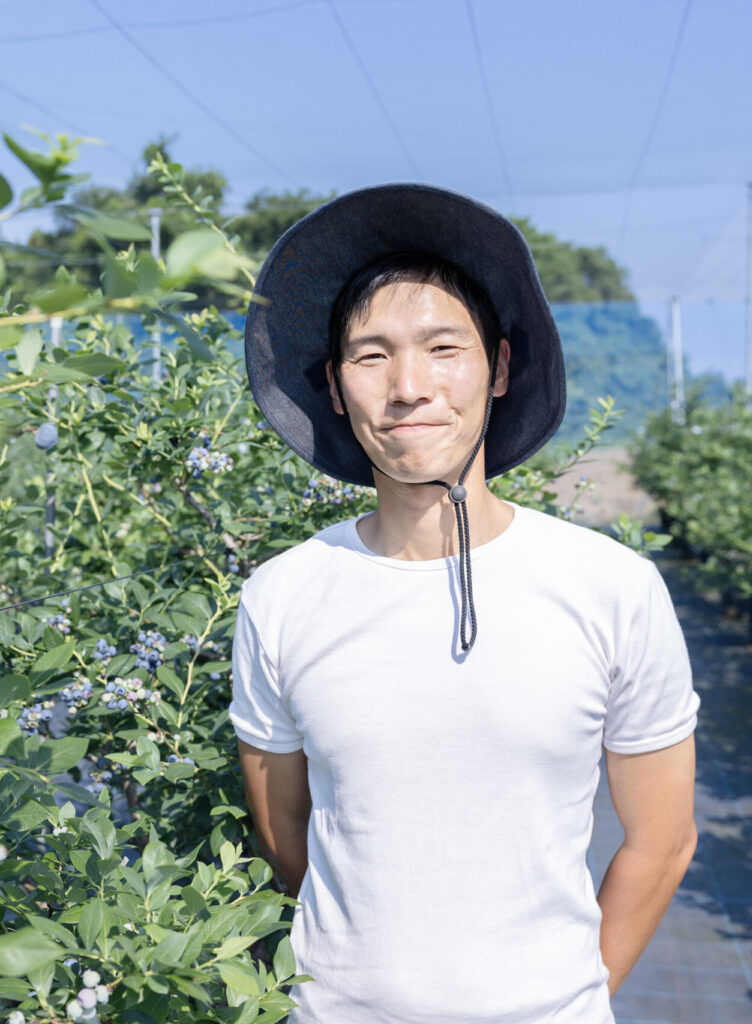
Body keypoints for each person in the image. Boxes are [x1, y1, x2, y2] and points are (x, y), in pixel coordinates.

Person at [229, 183, 700, 1024]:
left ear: (501, 368)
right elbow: (282, 829)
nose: (408, 386)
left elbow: (662, 841)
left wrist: (568, 999)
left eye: (444, 348)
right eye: (370, 357)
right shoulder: (284, 594)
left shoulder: (610, 587)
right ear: (334, 387)